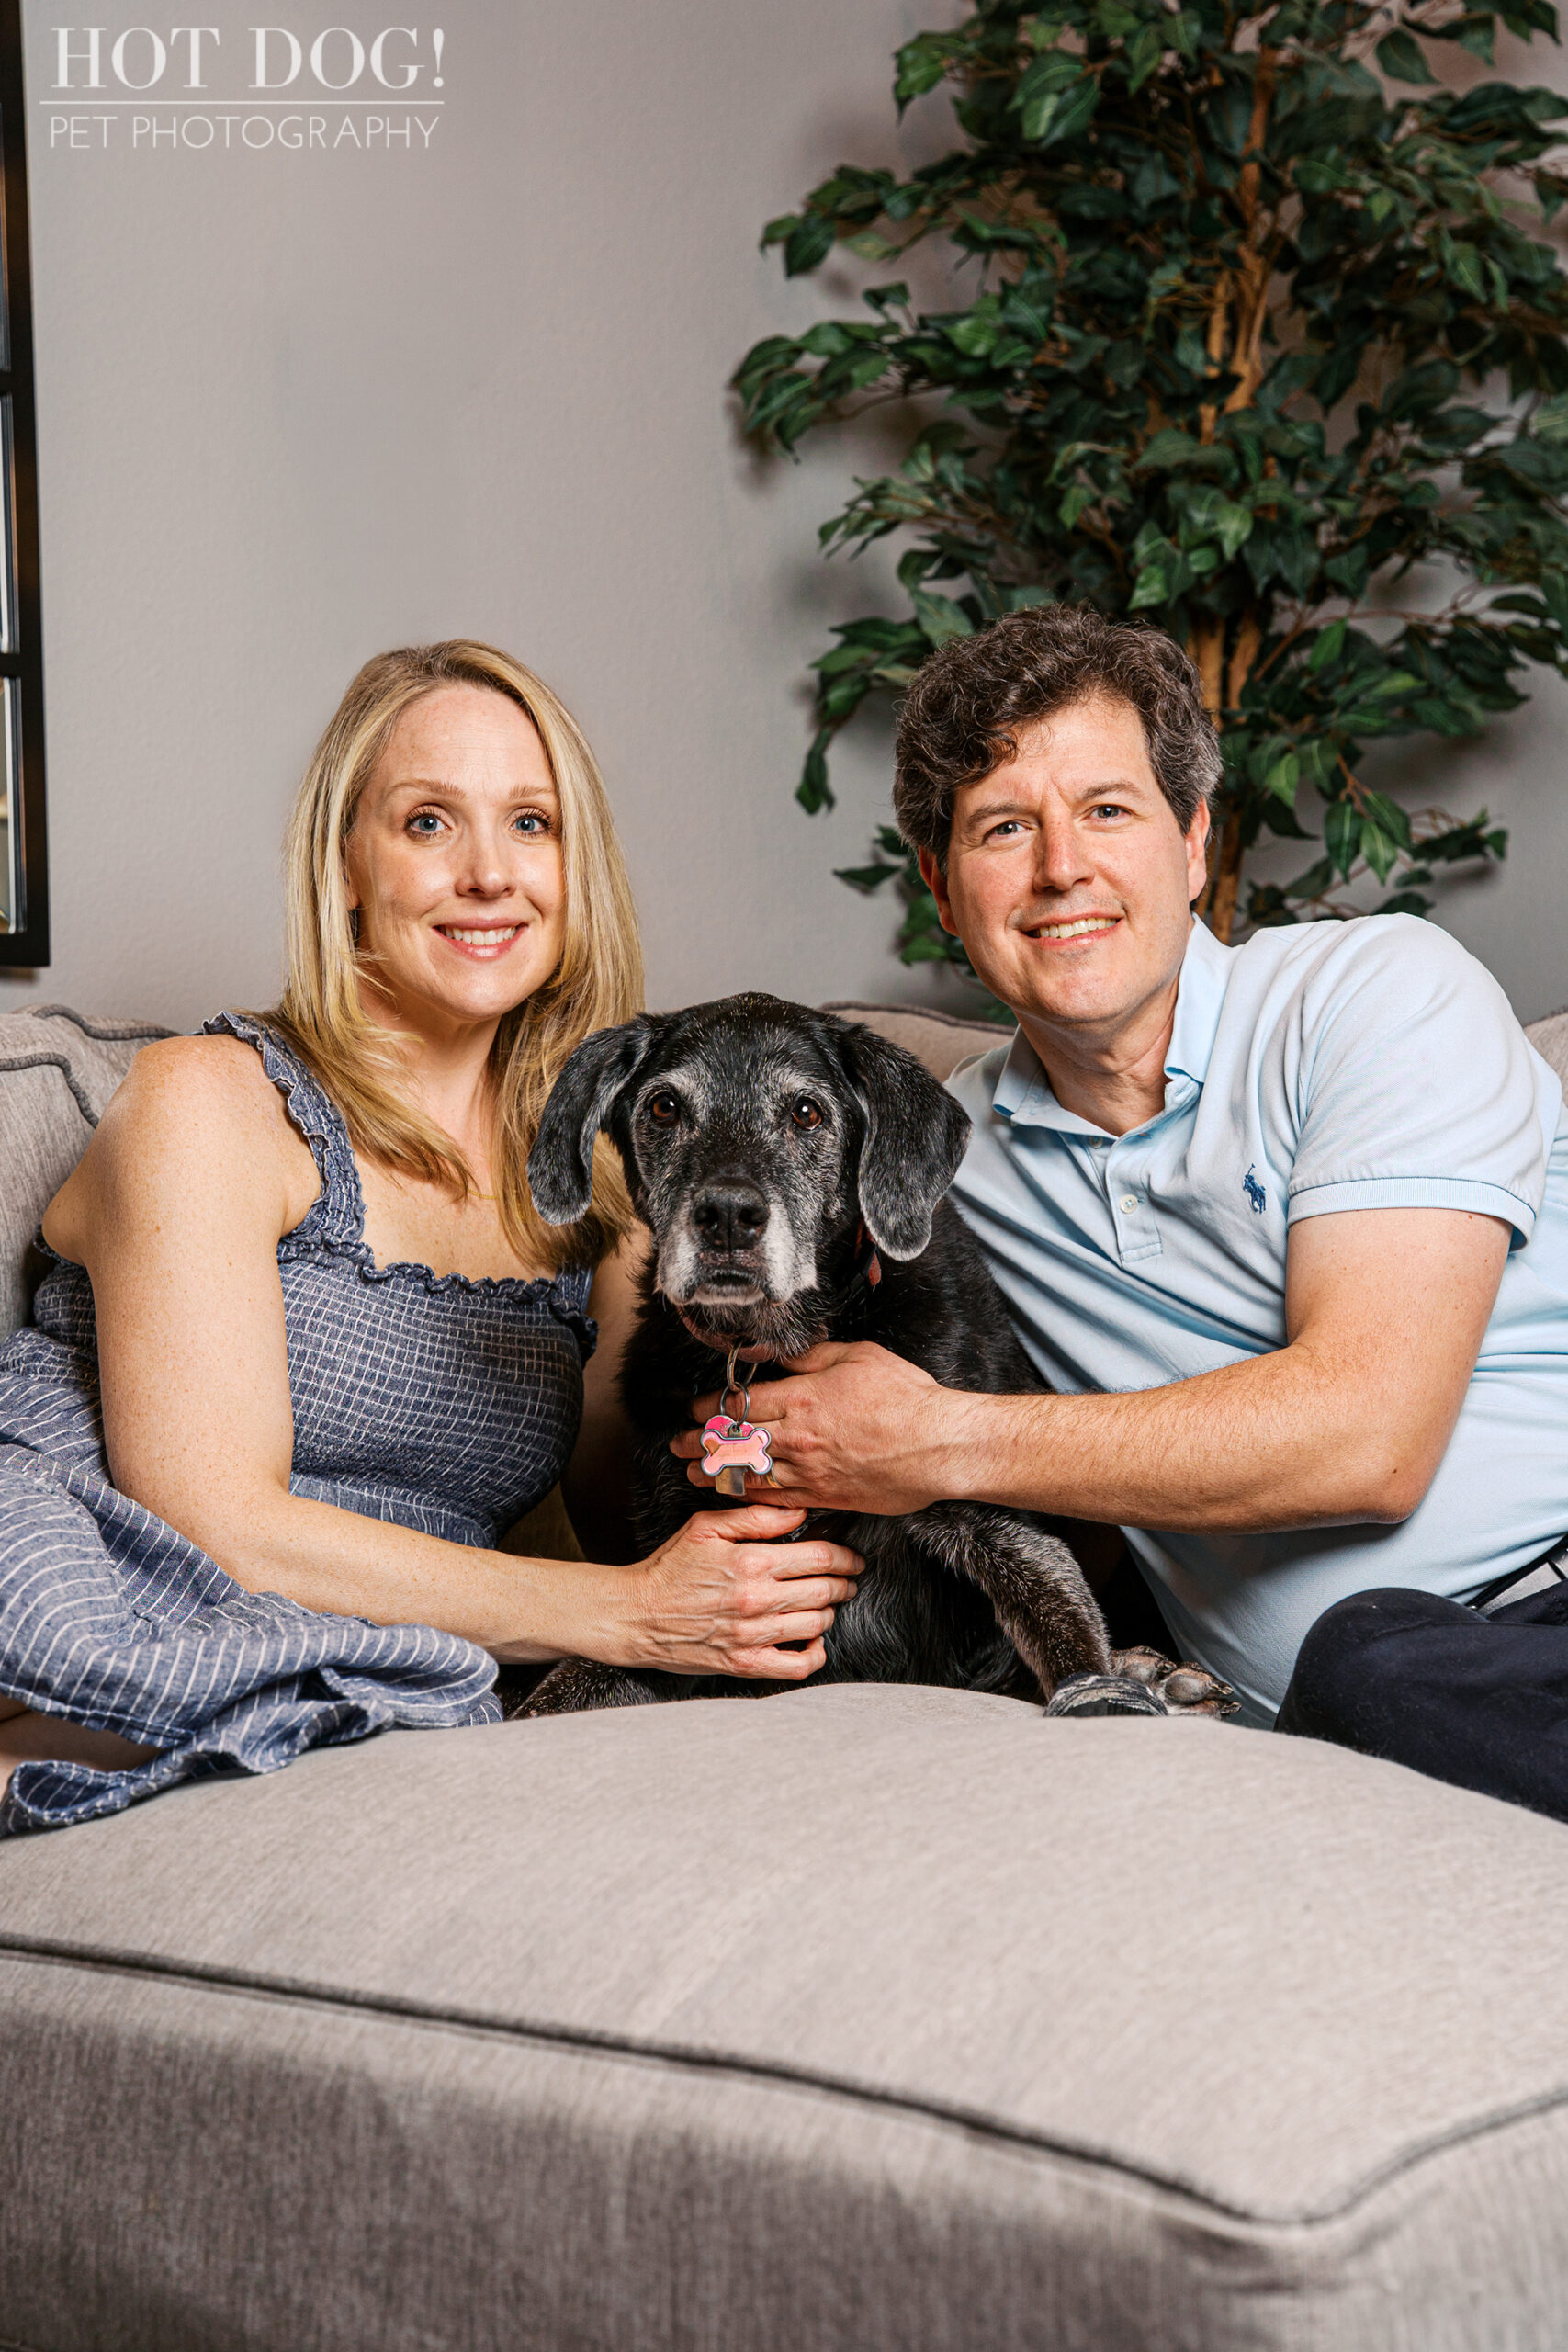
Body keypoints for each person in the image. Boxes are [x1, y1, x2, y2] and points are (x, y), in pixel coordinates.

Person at [673, 604, 1568, 1818]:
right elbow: (795, 1387)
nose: (1062, 868)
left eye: (1108, 809)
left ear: (1194, 841)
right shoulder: (939, 1163)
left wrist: (936, 1439)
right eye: (1004, 828)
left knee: (1368, 1662)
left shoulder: (1378, 997)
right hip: (1350, 1718)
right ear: (941, 887)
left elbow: (1371, 1438)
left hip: (1537, 1606)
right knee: (1362, 1673)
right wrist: (741, 1449)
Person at [0, 639, 859, 1833]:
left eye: (530, 823)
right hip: (88, 1587)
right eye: (426, 824)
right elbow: (213, 1521)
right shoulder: (210, 1104)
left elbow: (645, 1508)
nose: (488, 875)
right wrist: (622, 1614)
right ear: (345, 863)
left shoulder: (599, 1189)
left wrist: (816, 1426)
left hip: (370, 1665)